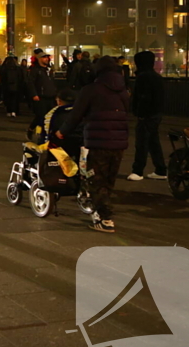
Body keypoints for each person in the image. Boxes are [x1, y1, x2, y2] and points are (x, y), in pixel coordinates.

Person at [57, 56, 130, 233]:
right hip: (119, 142)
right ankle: (104, 212)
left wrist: (62, 132)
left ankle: (105, 219)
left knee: (96, 180)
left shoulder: (91, 89)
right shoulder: (123, 91)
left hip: (99, 142)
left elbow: (76, 115)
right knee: (109, 180)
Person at [127, 50, 167, 182]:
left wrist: (139, 112)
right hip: (155, 113)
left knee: (142, 143)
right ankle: (160, 169)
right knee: (153, 142)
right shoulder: (156, 77)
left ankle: (138, 171)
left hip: (146, 115)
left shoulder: (143, 77)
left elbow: (143, 98)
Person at [26, 48, 58, 131]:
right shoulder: (35, 70)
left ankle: (46, 134)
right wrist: (34, 94)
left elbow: (52, 82)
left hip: (51, 96)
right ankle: (32, 129)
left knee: (50, 116)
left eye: (47, 57)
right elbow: (30, 83)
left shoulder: (49, 69)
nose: (46, 59)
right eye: (44, 57)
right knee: (41, 116)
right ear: (39, 59)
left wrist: (56, 94)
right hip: (40, 97)